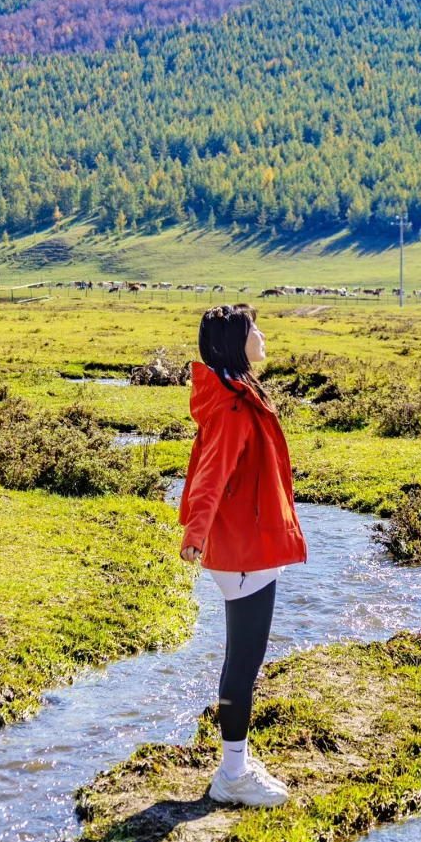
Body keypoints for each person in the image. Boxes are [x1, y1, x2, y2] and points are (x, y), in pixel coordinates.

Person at [179, 304, 307, 807]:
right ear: (236, 341)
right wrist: (196, 532)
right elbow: (211, 473)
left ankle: (236, 762)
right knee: (243, 665)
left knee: (241, 659)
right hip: (242, 549)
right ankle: (232, 775)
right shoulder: (233, 406)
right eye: (254, 328)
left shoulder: (237, 391)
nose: (262, 333)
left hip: (247, 542)